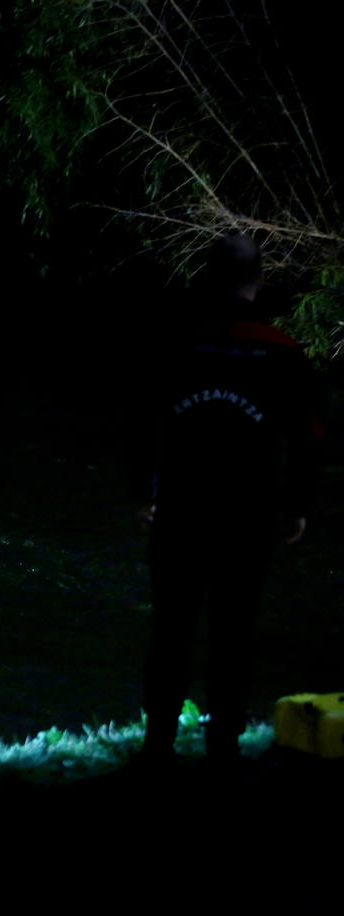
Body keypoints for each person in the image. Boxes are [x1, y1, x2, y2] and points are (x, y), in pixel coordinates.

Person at [133, 231, 322, 769]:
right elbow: (309, 436)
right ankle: (222, 749)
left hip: (182, 509)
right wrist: (297, 507)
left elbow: (140, 422)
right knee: (234, 630)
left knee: (170, 628)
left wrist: (140, 492)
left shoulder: (176, 341)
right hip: (248, 514)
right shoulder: (281, 352)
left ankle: (158, 747)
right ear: (258, 284)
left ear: (207, 280)